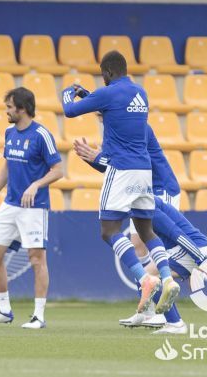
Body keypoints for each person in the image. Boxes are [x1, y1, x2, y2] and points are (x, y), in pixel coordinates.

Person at [61, 50, 179, 317]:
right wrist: (89, 95)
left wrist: (69, 91)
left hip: (120, 169)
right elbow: (111, 105)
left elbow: (69, 111)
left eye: (103, 74)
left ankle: (144, 278)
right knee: (147, 232)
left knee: (108, 230)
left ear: (108, 72)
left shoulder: (108, 93)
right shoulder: (140, 93)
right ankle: (166, 278)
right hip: (144, 171)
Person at [74, 125, 191, 331]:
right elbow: (113, 167)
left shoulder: (136, 125)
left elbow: (127, 161)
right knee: (138, 245)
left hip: (160, 188)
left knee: (155, 252)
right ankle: (147, 310)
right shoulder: (113, 126)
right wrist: (95, 159)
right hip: (138, 188)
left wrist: (98, 157)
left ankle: (172, 318)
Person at [0, 87, 62, 330]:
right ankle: (4, 310)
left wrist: (36, 184)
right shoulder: (9, 133)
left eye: (9, 107)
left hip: (34, 208)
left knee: (36, 259)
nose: (6, 111)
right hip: (10, 204)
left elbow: (58, 170)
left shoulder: (41, 135)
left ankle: (38, 316)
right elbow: (7, 165)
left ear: (22, 109)